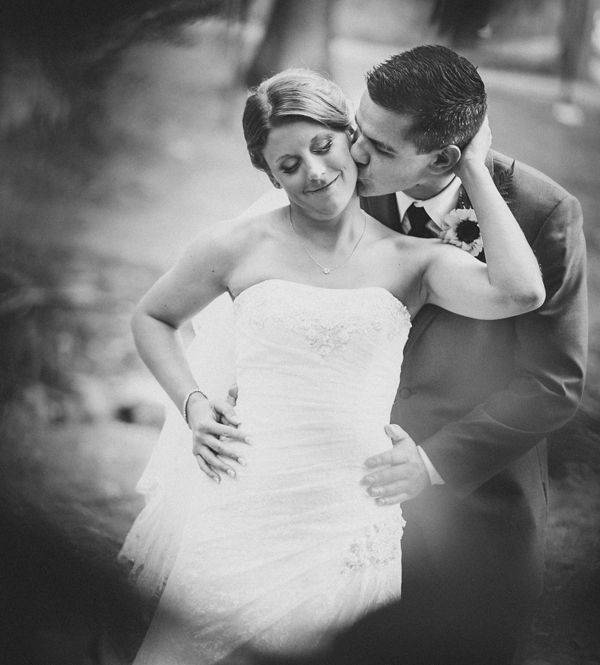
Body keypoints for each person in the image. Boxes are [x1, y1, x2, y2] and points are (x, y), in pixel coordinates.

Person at [117, 66, 545, 663]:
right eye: (288, 164)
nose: (315, 173)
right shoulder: (235, 246)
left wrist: (473, 165)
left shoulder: (414, 260)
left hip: (351, 509)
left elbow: (521, 293)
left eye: (323, 146)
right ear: (269, 173)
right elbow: (153, 317)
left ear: (350, 138)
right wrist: (192, 402)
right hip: (245, 495)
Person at [348, 45, 588, 663]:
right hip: (343, 489)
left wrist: (430, 462)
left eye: (380, 148)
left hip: (474, 507)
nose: (354, 154)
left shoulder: (542, 212)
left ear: (446, 157)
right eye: (357, 130)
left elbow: (553, 383)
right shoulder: (339, 190)